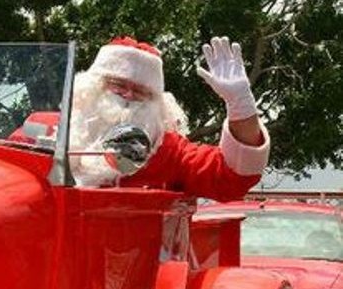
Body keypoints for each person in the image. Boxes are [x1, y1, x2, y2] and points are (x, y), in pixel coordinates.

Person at [69, 36, 269, 201]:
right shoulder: (55, 131)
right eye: (118, 84)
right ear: (94, 86)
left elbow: (230, 178)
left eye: (141, 91)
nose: (128, 95)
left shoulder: (170, 152)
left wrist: (241, 106)